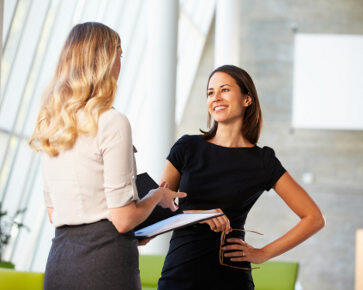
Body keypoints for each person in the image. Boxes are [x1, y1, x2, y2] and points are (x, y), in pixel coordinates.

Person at [29, 22, 186, 290]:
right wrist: (156, 197)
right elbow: (123, 219)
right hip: (104, 264)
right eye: (119, 54)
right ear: (105, 60)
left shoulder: (52, 124)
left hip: (60, 262)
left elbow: (54, 212)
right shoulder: (112, 121)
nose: (120, 63)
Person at [157, 65, 325, 290]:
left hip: (231, 279)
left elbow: (313, 218)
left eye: (224, 90)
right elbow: (158, 211)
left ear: (247, 99)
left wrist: (262, 253)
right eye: (210, 92)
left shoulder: (262, 161)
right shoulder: (187, 147)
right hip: (179, 274)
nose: (215, 97)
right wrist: (197, 216)